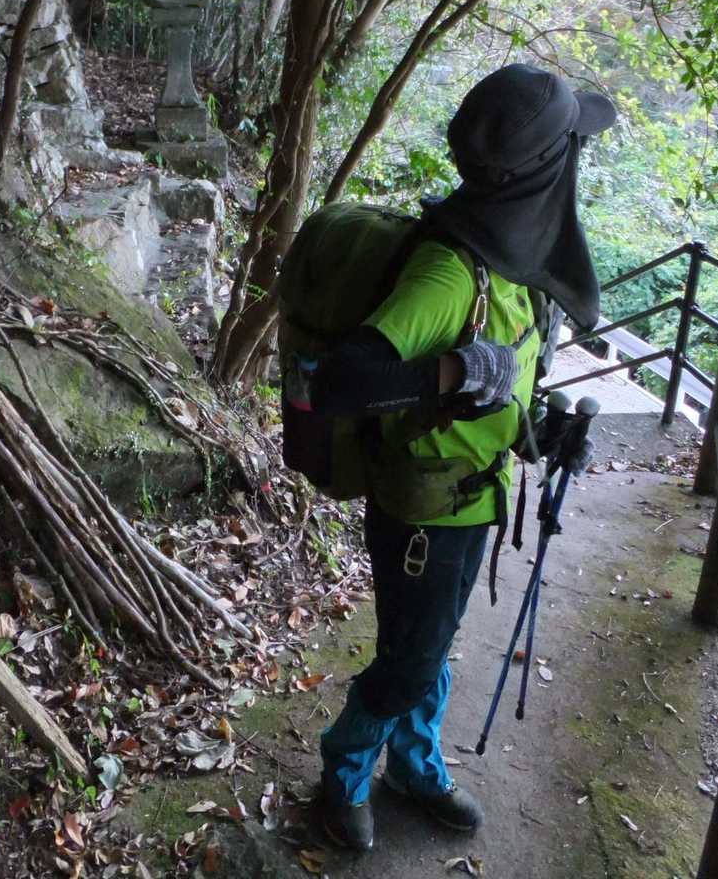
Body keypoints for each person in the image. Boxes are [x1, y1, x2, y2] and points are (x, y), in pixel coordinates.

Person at [307, 63, 616, 850]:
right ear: (544, 172)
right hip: (425, 514)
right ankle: (344, 770)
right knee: (410, 659)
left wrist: (542, 431)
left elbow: (495, 383)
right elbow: (340, 381)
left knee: (430, 642)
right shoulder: (450, 271)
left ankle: (414, 765)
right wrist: (452, 371)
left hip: (473, 498)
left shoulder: (513, 261)